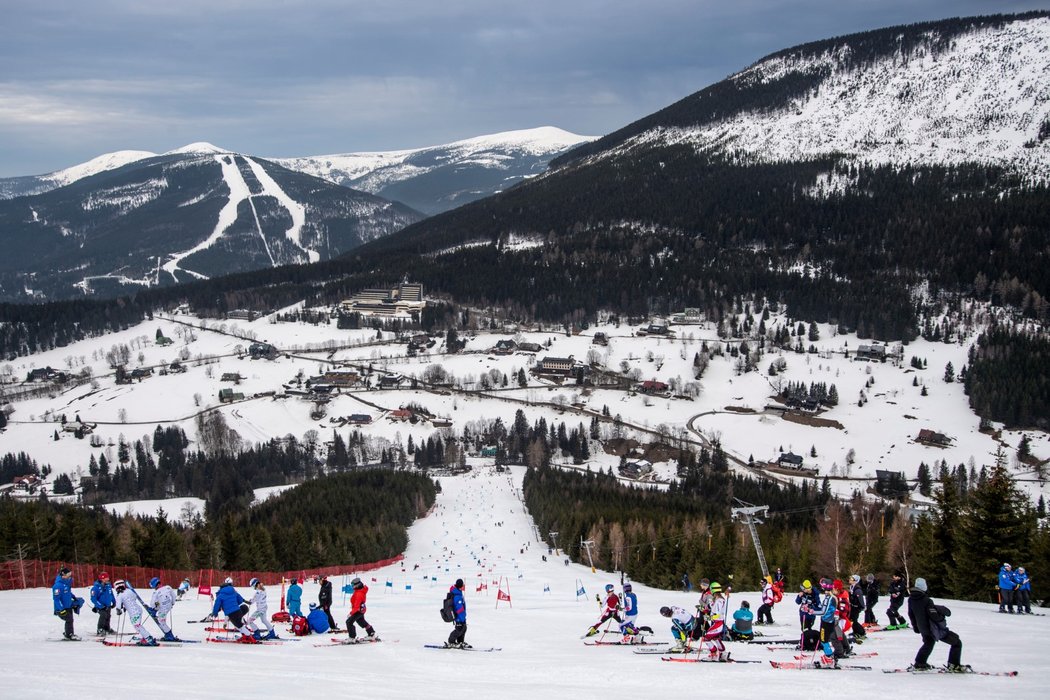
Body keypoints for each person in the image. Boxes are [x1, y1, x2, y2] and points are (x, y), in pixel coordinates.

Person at [907, 577, 968, 672]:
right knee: (957, 642)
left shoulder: (911, 599)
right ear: (924, 587)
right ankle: (954, 664)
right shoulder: (926, 600)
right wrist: (942, 618)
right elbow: (934, 616)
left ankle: (920, 663)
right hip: (933, 629)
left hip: (923, 628)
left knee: (928, 643)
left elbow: (911, 614)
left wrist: (916, 627)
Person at [208, 576, 258, 644]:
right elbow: (239, 598)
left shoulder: (220, 595)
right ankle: (245, 636)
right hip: (238, 611)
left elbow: (217, 605)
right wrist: (243, 601)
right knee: (238, 625)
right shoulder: (233, 591)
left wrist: (215, 613)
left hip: (231, 613)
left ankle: (250, 637)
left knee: (240, 626)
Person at [113, 579, 156, 646]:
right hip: (138, 610)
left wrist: (118, 610)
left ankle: (148, 638)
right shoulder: (129, 591)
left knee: (137, 626)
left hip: (134, 613)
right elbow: (134, 597)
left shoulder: (120, 595)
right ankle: (145, 637)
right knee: (138, 625)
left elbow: (118, 606)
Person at [815, 578, 844, 668]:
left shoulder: (830, 597)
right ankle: (830, 657)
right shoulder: (831, 597)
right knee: (824, 640)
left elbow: (823, 612)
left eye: (823, 586)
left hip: (827, 622)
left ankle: (829, 658)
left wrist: (811, 611)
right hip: (828, 621)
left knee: (824, 641)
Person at [52, 567, 84, 641]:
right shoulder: (57, 586)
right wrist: (61, 609)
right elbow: (56, 599)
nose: (70, 576)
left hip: (68, 605)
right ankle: (68, 635)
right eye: (68, 574)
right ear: (63, 575)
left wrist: (74, 597)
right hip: (61, 608)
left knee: (71, 619)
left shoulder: (66, 583)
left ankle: (69, 633)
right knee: (69, 620)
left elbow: (67, 593)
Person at [701, 581, 730, 661]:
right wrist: (705, 608)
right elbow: (712, 607)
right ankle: (723, 653)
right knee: (716, 638)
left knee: (706, 639)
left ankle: (714, 654)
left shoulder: (719, 601)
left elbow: (717, 614)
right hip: (716, 623)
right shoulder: (717, 599)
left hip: (718, 623)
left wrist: (709, 618)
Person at [345, 577, 377, 641]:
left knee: (349, 622)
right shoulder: (359, 590)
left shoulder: (359, 593)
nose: (352, 587)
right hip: (361, 609)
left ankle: (352, 637)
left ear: (357, 585)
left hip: (358, 610)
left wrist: (351, 613)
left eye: (353, 585)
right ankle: (371, 633)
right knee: (361, 621)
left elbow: (357, 606)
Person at [148, 576, 179, 642]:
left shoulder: (156, 593)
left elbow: (152, 603)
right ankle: (154, 611)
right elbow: (174, 596)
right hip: (168, 606)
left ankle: (169, 636)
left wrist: (152, 608)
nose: (154, 589)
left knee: (161, 621)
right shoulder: (168, 587)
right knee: (159, 603)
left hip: (163, 609)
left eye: (154, 587)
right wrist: (172, 603)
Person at [444, 578, 469, 649]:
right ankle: (451, 641)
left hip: (460, 616)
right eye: (463, 585)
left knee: (463, 628)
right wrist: (462, 617)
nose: (464, 586)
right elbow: (459, 609)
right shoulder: (457, 595)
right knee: (459, 629)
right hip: (459, 616)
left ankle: (460, 641)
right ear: (460, 586)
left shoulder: (458, 592)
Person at [89, 572, 116, 636]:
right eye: (106, 578)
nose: (108, 579)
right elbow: (93, 598)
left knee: (108, 616)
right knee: (103, 615)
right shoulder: (95, 588)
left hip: (108, 605)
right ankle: (100, 629)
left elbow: (111, 594)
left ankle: (107, 629)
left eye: (108, 578)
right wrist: (100, 606)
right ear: (102, 579)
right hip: (100, 606)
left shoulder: (108, 586)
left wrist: (114, 602)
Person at [847, 574, 866, 639]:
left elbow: (860, 599)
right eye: (850, 578)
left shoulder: (857, 589)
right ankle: (856, 631)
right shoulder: (852, 587)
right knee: (852, 620)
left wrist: (862, 606)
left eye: (852, 579)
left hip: (856, 607)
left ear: (856, 581)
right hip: (852, 606)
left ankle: (862, 632)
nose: (850, 580)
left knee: (853, 620)